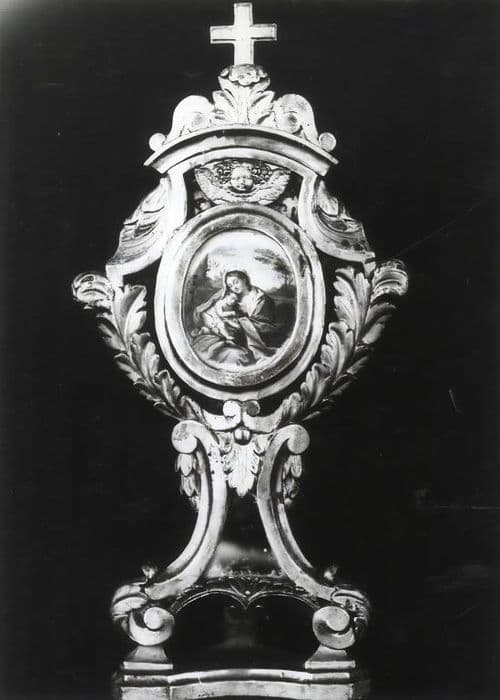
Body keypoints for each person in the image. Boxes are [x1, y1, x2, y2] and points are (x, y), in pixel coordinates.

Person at [191, 270, 279, 367]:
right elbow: (204, 309)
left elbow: (264, 325)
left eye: (236, 282)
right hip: (224, 331)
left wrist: (240, 323)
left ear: (244, 279)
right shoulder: (226, 295)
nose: (234, 287)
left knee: (235, 355)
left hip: (248, 337)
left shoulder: (260, 299)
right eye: (230, 285)